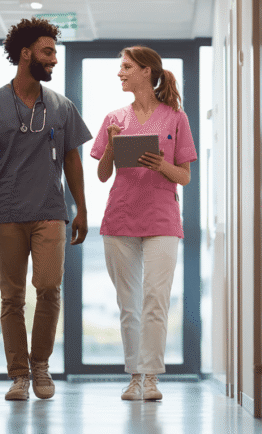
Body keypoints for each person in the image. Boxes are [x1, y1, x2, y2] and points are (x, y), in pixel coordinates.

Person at [0, 17, 92, 401]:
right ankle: (18, 374)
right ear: (25, 54)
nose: (53, 59)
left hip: (50, 210)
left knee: (49, 288)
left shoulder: (61, 107)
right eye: (47, 52)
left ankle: (41, 366)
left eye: (55, 52)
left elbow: (73, 160)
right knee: (12, 297)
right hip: (5, 214)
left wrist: (81, 209)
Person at [90, 46, 197, 401]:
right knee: (128, 302)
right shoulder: (113, 119)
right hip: (120, 218)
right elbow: (103, 175)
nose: (120, 73)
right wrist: (111, 147)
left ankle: (151, 377)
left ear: (147, 71)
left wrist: (159, 165)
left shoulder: (175, 119)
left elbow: (184, 176)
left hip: (163, 220)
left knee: (155, 299)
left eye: (126, 67)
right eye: (120, 67)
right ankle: (134, 376)